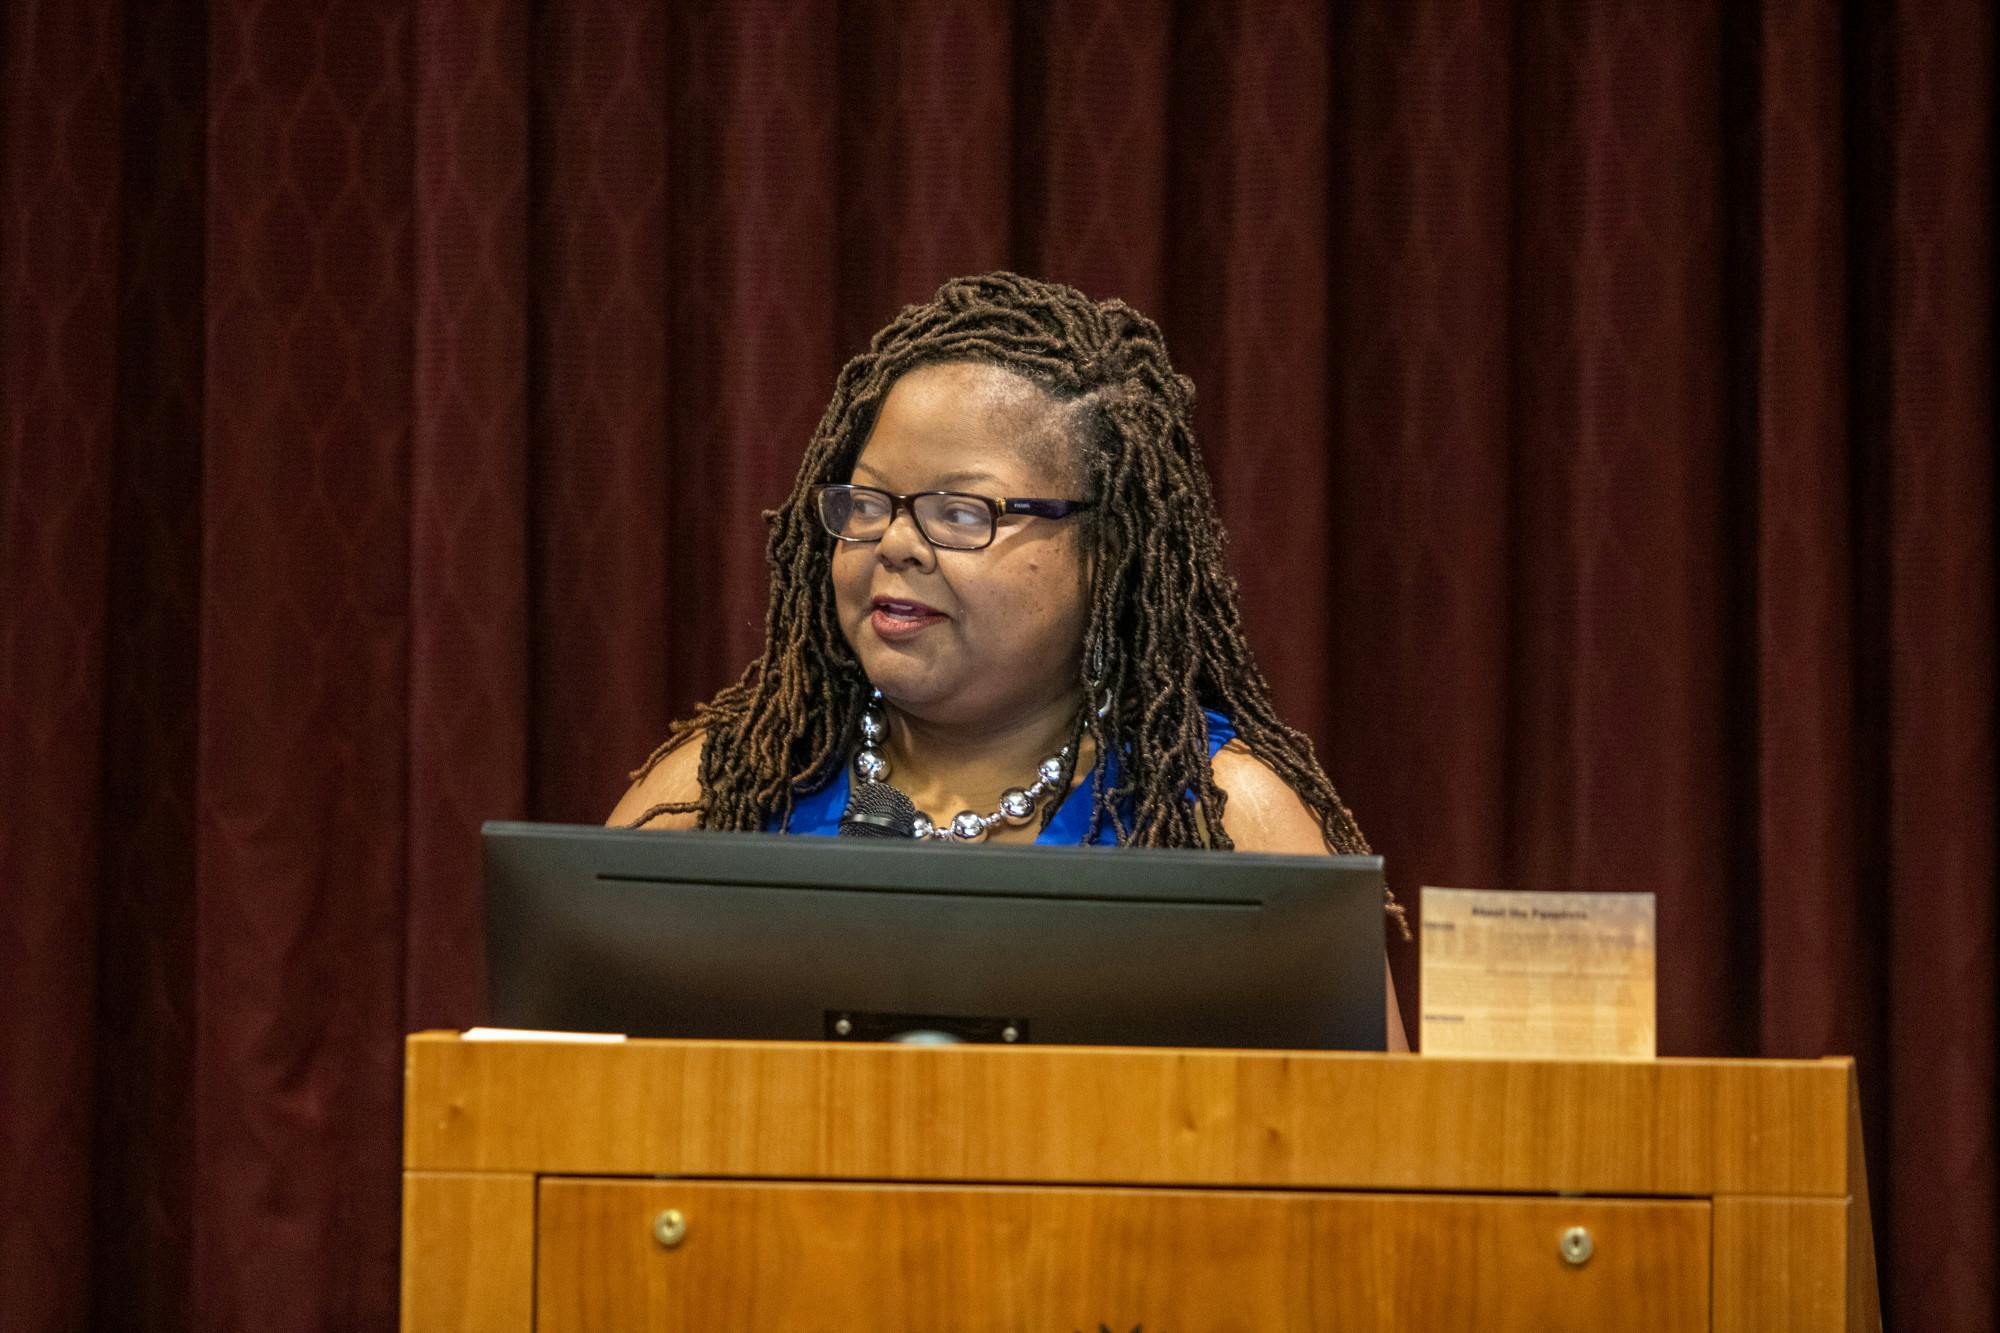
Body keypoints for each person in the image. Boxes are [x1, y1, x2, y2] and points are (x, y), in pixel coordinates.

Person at [608, 272, 1409, 1049]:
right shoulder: (715, 795)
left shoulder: (1230, 823)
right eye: (869, 502)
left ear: (1108, 550)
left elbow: (1376, 1157)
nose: (893, 543)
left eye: (960, 511)